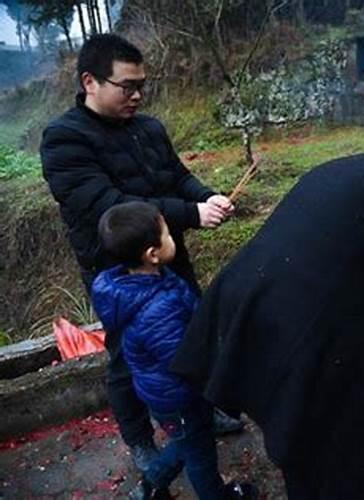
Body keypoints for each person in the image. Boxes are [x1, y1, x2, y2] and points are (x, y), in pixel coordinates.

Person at [170, 130, 364, 499]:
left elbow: (349, 256)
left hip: (248, 298)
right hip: (303, 325)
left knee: (291, 414)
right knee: (329, 442)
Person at [39, 33, 242, 472]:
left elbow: (177, 176)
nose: (136, 95)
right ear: (90, 82)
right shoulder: (63, 140)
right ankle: (140, 440)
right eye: (126, 86)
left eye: (141, 86)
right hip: (116, 270)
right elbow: (108, 206)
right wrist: (190, 212)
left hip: (166, 254)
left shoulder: (148, 128)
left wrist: (209, 196)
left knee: (194, 330)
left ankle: (202, 410)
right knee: (126, 356)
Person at [91, 202, 257, 500]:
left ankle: (150, 486)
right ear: (152, 253)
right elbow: (182, 359)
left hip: (170, 394)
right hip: (179, 395)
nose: (173, 239)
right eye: (168, 234)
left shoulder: (144, 281)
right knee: (200, 456)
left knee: (187, 441)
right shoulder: (157, 309)